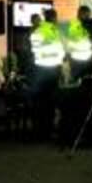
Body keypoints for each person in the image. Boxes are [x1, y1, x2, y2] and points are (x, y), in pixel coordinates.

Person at [29, 8, 65, 137]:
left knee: (40, 101)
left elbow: (33, 51)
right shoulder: (57, 32)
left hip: (39, 70)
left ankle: (39, 129)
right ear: (54, 18)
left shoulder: (37, 32)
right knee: (51, 101)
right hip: (53, 70)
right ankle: (48, 129)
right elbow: (63, 51)